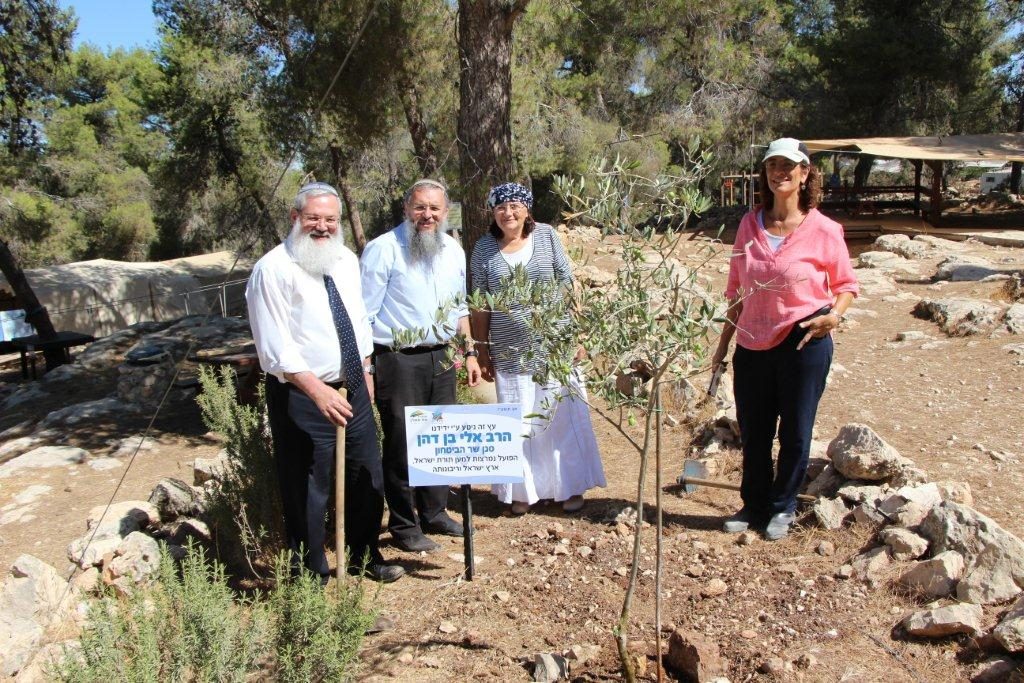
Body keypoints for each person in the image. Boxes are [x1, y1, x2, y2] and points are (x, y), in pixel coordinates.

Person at [245, 182, 404, 583]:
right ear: (295, 218)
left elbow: (357, 320)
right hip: (302, 394)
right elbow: (274, 347)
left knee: (365, 475)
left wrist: (364, 369)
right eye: (314, 217)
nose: (323, 226)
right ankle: (309, 574)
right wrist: (317, 390)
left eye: (331, 219)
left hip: (352, 386)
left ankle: (365, 556)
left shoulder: (345, 260)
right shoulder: (272, 270)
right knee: (308, 489)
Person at [710, 138, 859, 541]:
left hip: (803, 341)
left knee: (795, 430)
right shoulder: (749, 224)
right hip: (752, 341)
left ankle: (783, 506)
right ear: (766, 172)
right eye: (773, 165)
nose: (781, 172)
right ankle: (753, 504)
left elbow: (846, 285)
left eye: (789, 166)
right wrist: (723, 345)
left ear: (804, 173)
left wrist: (834, 316)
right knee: (754, 430)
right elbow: (736, 290)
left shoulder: (825, 229)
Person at [469, 182, 606, 515]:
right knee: (519, 422)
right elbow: (479, 305)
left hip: (556, 347)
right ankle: (522, 493)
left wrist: (579, 336)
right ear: (493, 212)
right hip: (510, 351)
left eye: (515, 205)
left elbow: (567, 284)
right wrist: (482, 349)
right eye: (501, 207)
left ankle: (568, 488)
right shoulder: (483, 249)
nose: (508, 213)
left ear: (527, 209)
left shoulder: (545, 236)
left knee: (560, 419)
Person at [360, 179, 482, 553]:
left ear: (446, 212)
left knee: (439, 439)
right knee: (400, 444)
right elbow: (362, 314)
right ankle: (402, 525)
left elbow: (460, 306)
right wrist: (365, 368)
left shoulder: (453, 249)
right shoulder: (382, 250)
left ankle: (435, 512)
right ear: (406, 209)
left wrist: (469, 352)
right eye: (420, 207)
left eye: (434, 209)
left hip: (443, 356)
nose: (427, 215)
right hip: (397, 359)